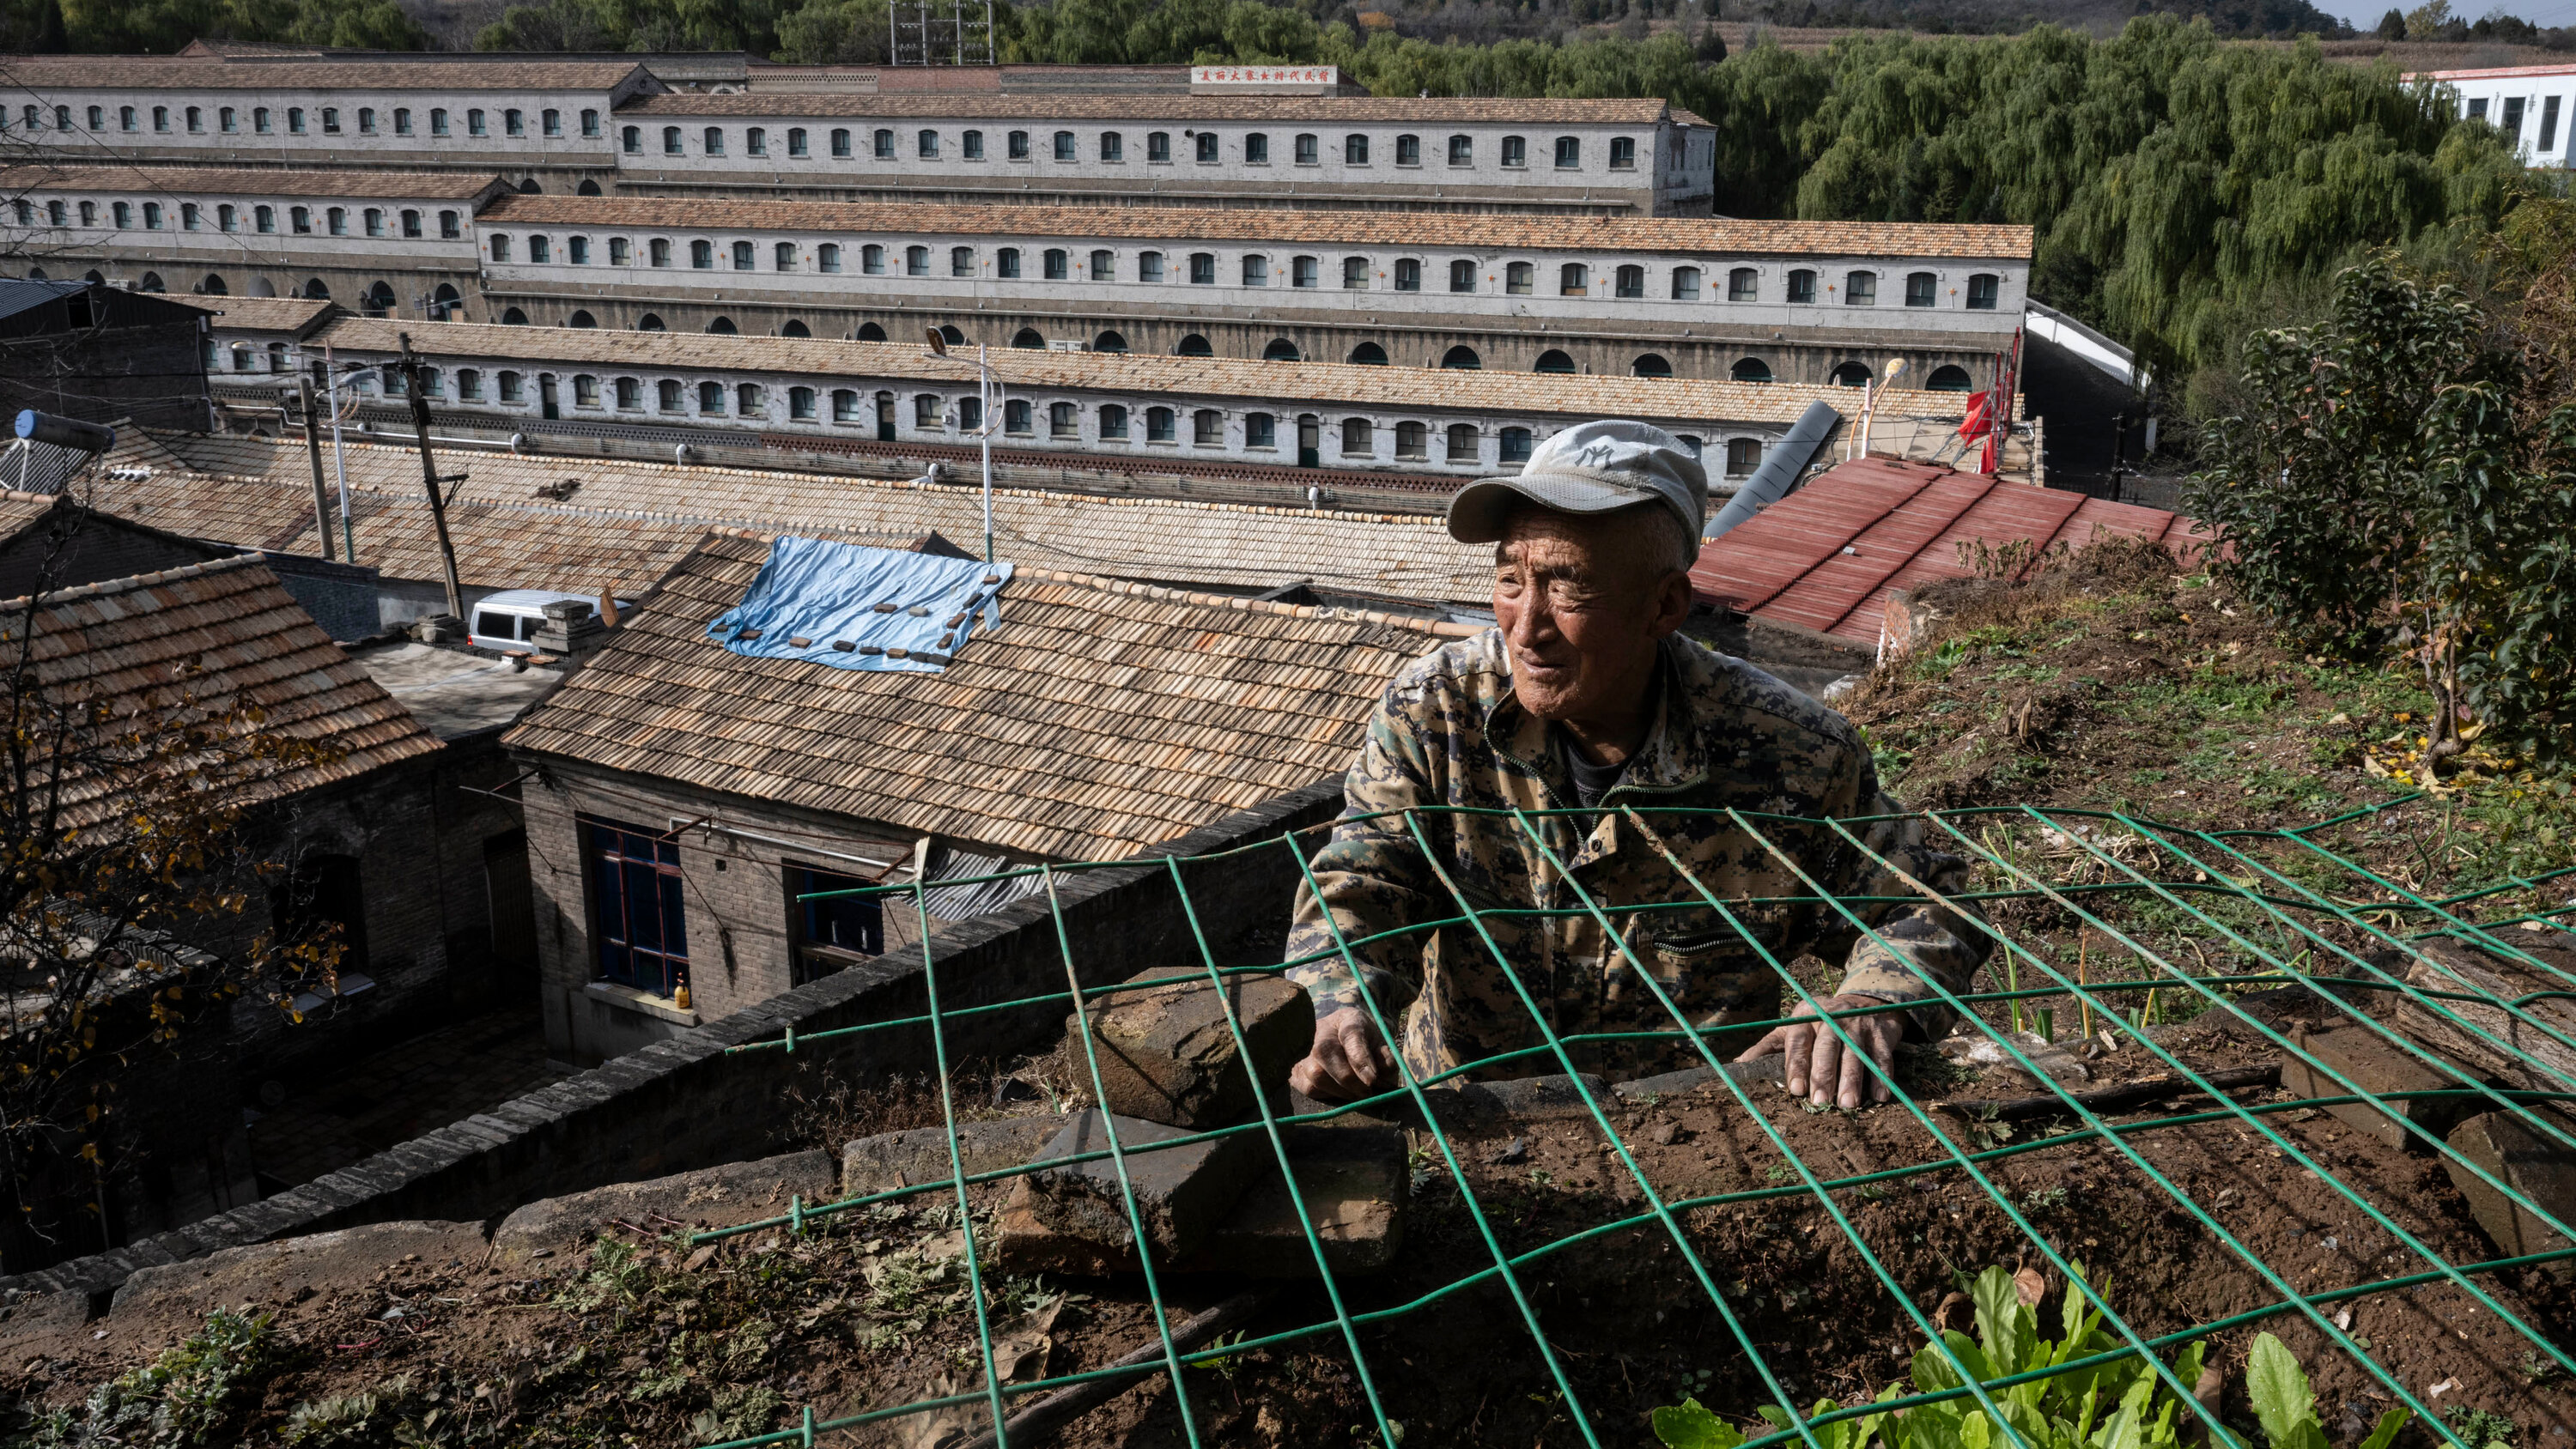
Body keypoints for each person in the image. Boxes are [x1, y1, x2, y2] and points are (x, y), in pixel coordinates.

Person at [1283, 420, 1990, 1111]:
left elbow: (1925, 903)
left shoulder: (1791, 751)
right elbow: (1367, 875)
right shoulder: (1439, 710)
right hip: (1475, 1128)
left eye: (1569, 589)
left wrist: (1868, 1003)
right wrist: (1343, 999)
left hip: (1699, 1138)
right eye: (1508, 580)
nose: (1526, 627)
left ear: (1665, 605)